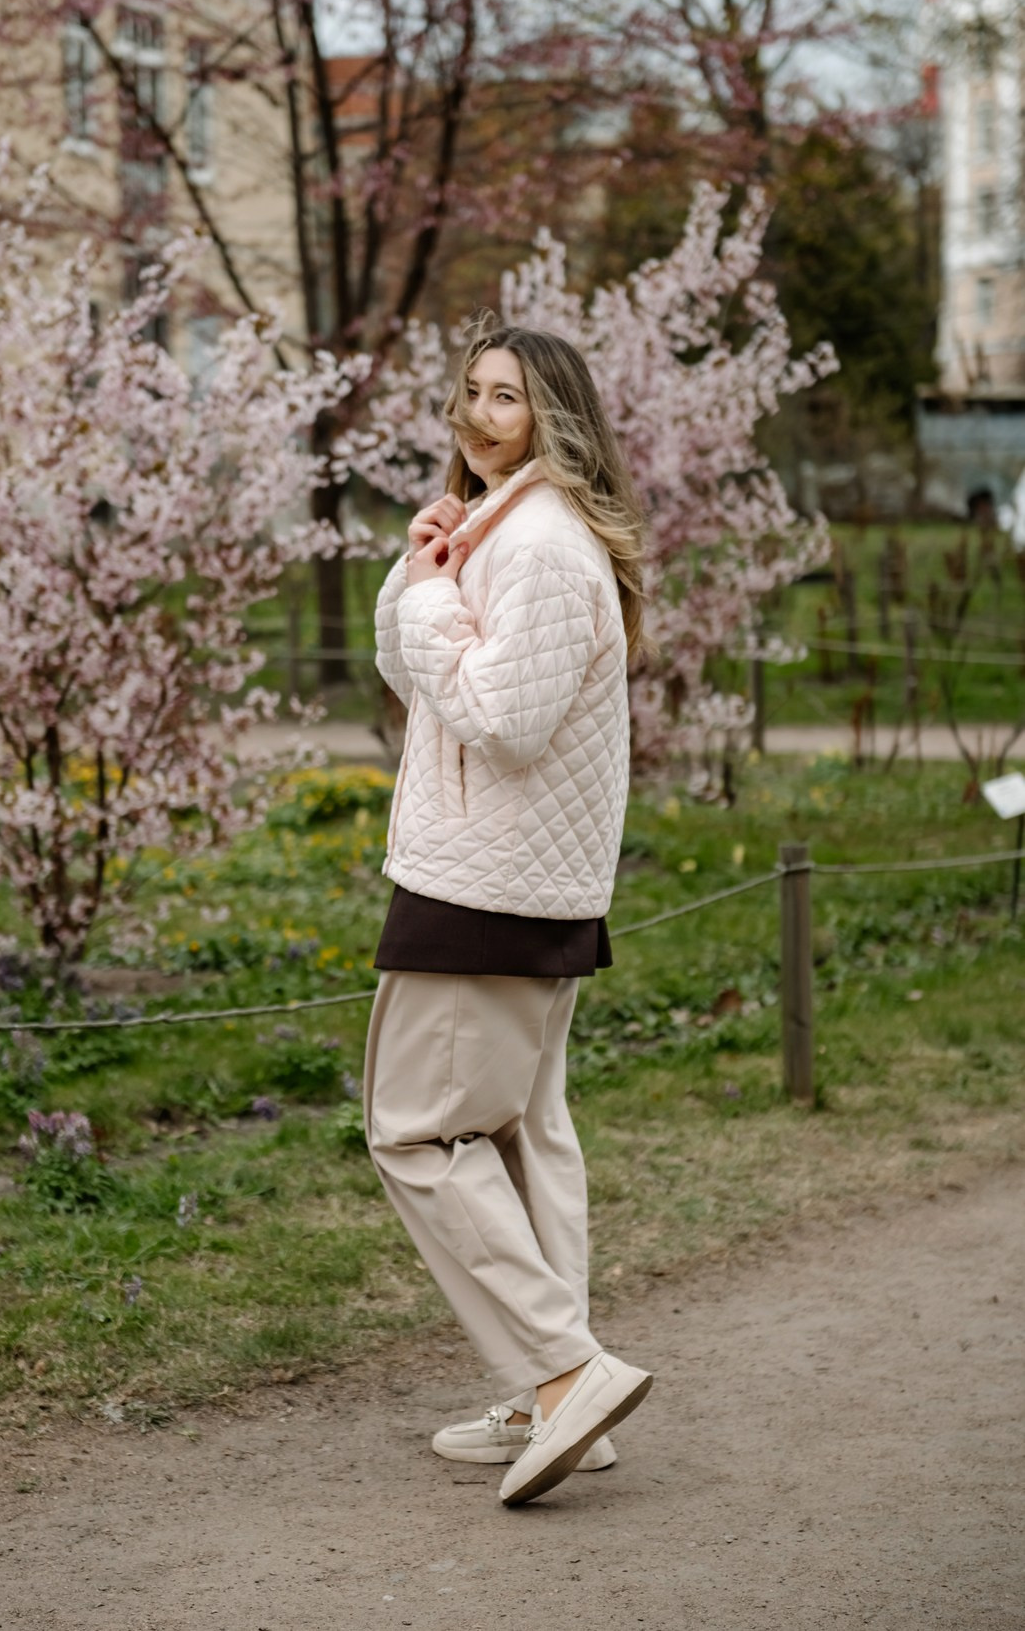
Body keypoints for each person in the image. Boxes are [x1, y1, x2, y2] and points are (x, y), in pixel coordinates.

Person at [364, 318, 653, 1507]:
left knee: (416, 1133)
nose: (480, 417)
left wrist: (435, 607)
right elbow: (413, 659)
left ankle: (561, 1373)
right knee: (524, 1136)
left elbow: (499, 718)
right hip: (519, 879)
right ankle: (557, 1396)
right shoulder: (506, 527)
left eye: (509, 398)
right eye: (470, 392)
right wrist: (422, 571)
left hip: (483, 882)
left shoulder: (535, 543)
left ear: (555, 415)